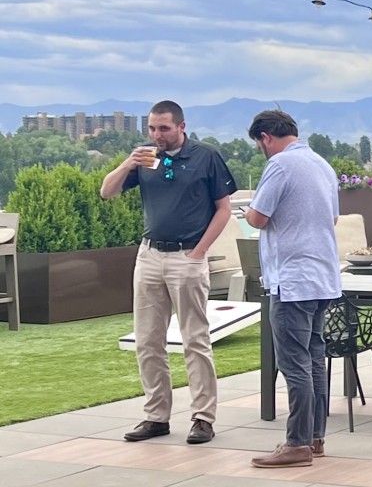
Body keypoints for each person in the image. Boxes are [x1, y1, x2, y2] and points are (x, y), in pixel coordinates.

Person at [100, 100, 236, 443]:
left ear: (181, 126)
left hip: (186, 257)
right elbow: (107, 191)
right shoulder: (144, 157)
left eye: (164, 128)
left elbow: (224, 210)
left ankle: (203, 418)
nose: (157, 135)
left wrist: (199, 252)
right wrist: (128, 162)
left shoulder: (206, 157)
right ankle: (156, 416)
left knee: (195, 339)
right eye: (151, 128)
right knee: (147, 340)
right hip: (149, 256)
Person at [244, 110, 341, 468]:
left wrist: (248, 212)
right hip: (323, 277)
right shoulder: (322, 165)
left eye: (259, 144)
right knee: (315, 360)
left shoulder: (280, 166)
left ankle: (296, 443)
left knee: (294, 363)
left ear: (266, 137)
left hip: (293, 279)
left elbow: (258, 217)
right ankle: (315, 438)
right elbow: (332, 218)